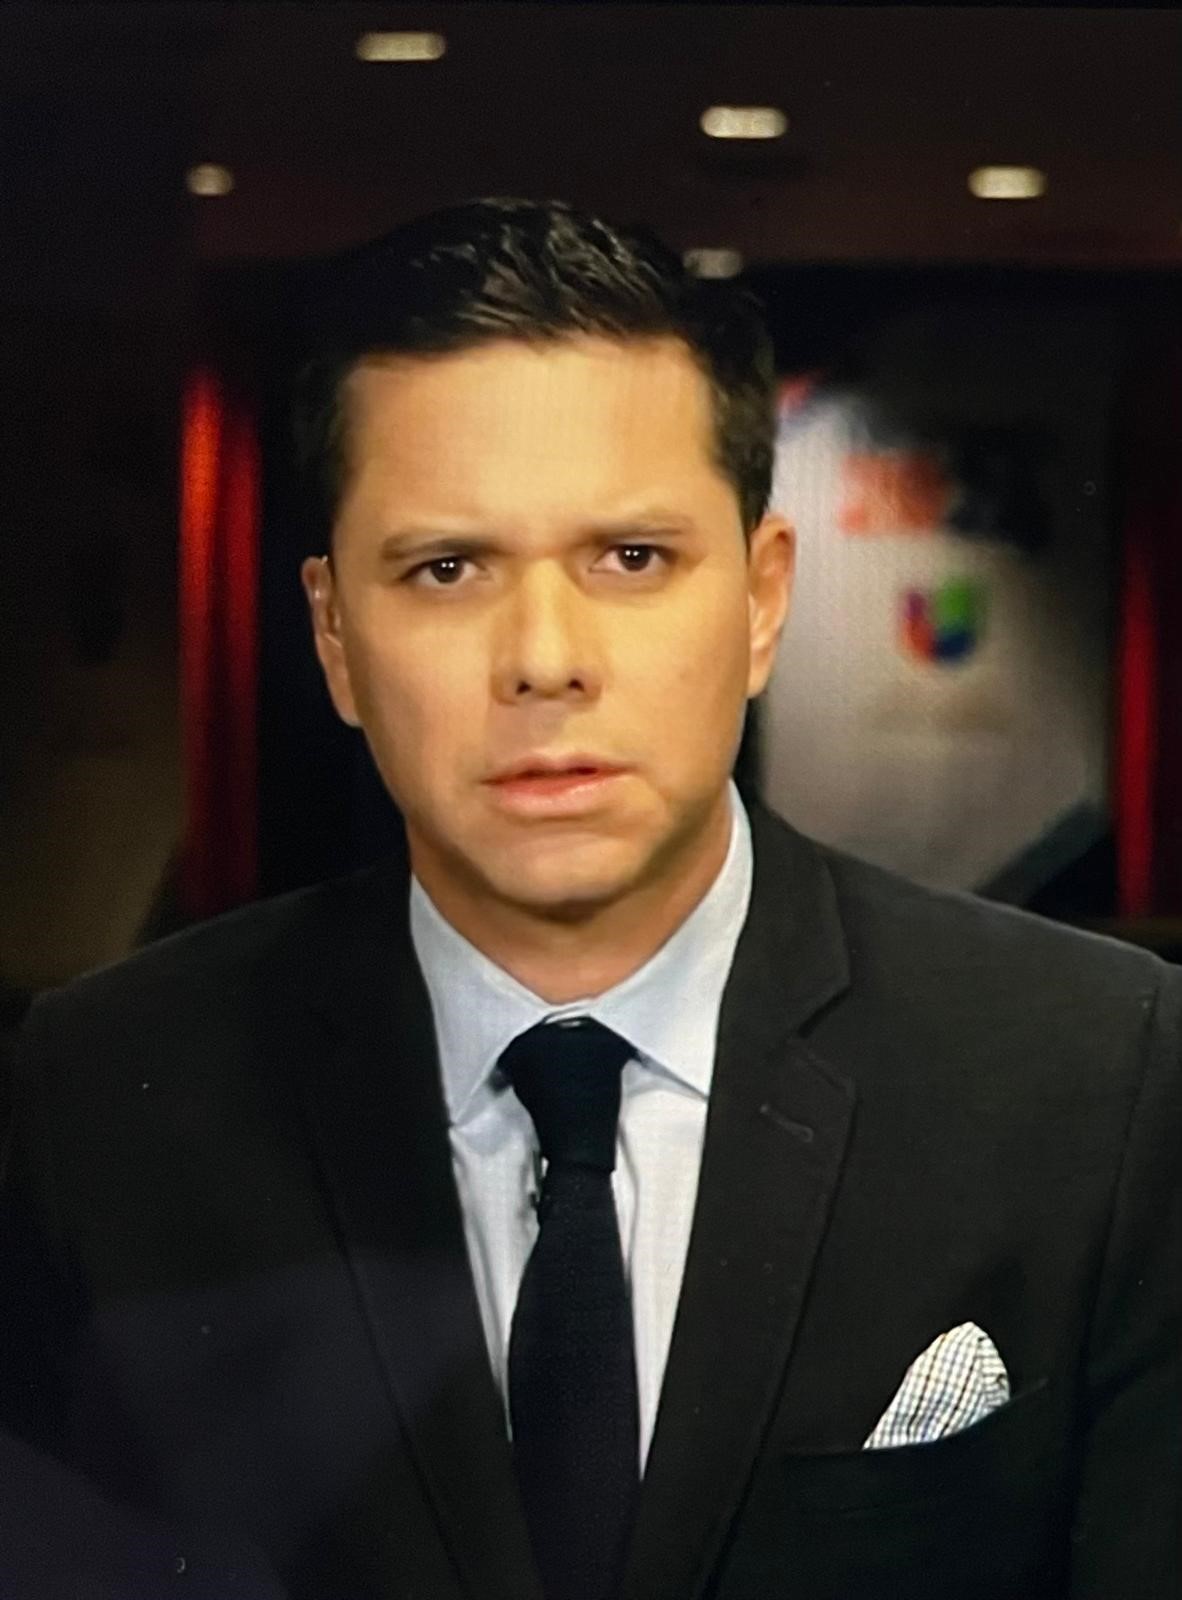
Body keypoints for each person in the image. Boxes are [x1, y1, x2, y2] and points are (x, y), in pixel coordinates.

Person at [0, 195, 1177, 1600]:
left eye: (630, 559)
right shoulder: (103, 1099)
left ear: (761, 598)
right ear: (336, 638)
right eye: (447, 569)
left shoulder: (1099, 1075)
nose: (544, 658)